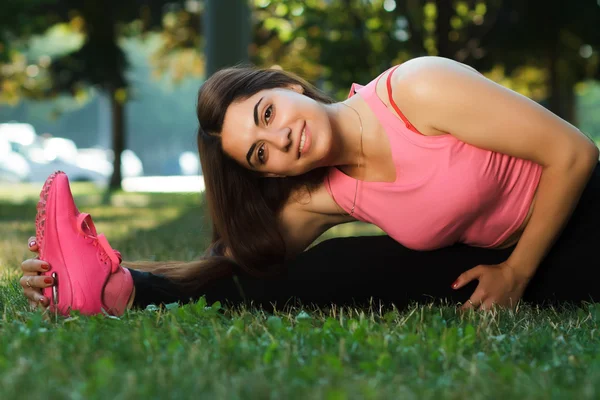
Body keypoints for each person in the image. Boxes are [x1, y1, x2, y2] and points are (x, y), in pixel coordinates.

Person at [20, 56, 599, 315]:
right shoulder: (324, 194)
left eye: (268, 114)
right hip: (494, 258)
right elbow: (245, 271)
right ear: (269, 173)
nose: (280, 141)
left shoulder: (420, 89)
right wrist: (113, 275)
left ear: (292, 85)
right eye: (259, 153)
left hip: (587, 213)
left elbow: (574, 152)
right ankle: (116, 292)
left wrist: (515, 273)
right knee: (327, 272)